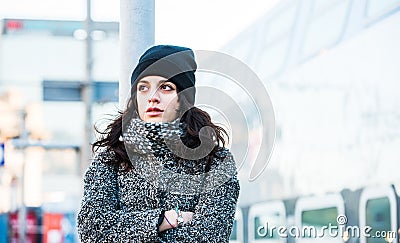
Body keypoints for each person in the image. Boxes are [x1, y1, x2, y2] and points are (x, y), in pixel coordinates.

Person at [77, 45, 240, 242]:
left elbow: (207, 237)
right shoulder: (111, 159)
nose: (153, 97)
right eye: (143, 87)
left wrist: (126, 231)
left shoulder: (215, 162)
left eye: (166, 87)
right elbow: (92, 231)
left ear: (183, 98)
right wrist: (166, 219)